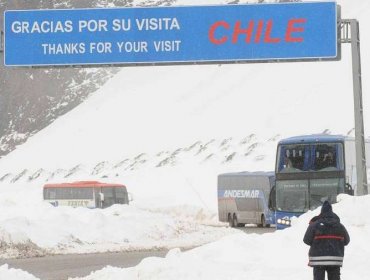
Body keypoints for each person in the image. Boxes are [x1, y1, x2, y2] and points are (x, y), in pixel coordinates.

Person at [303, 201, 350, 280]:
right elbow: (347, 241)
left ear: (322, 212)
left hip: (318, 260)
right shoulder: (340, 226)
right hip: (335, 260)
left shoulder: (315, 225)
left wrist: (318, 243)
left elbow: (306, 240)